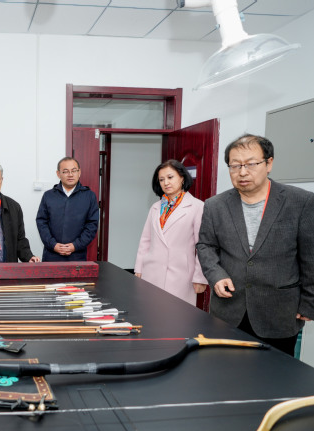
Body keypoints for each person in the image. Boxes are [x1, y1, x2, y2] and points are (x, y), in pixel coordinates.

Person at [197, 134, 314, 355]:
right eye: (235, 166)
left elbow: (310, 256)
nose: (242, 172)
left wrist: (310, 301)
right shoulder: (215, 205)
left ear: (269, 163)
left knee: (277, 374)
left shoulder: (301, 202)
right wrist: (216, 275)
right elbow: (205, 245)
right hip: (228, 311)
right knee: (224, 370)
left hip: (279, 312)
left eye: (251, 164)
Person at [134, 159, 207, 305]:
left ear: (182, 177)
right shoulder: (155, 207)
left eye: (170, 177)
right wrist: (139, 268)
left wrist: (200, 277)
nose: (166, 183)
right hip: (151, 271)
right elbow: (145, 240)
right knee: (150, 312)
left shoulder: (197, 206)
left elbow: (203, 245)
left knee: (177, 314)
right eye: (161, 179)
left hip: (181, 275)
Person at [36, 156, 99, 262]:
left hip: (77, 255)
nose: (70, 174)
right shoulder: (48, 196)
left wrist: (75, 245)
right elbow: (41, 222)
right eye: (65, 171)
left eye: (74, 171)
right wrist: (53, 245)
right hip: (51, 255)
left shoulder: (89, 196)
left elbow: (92, 225)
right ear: (58, 174)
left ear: (79, 172)